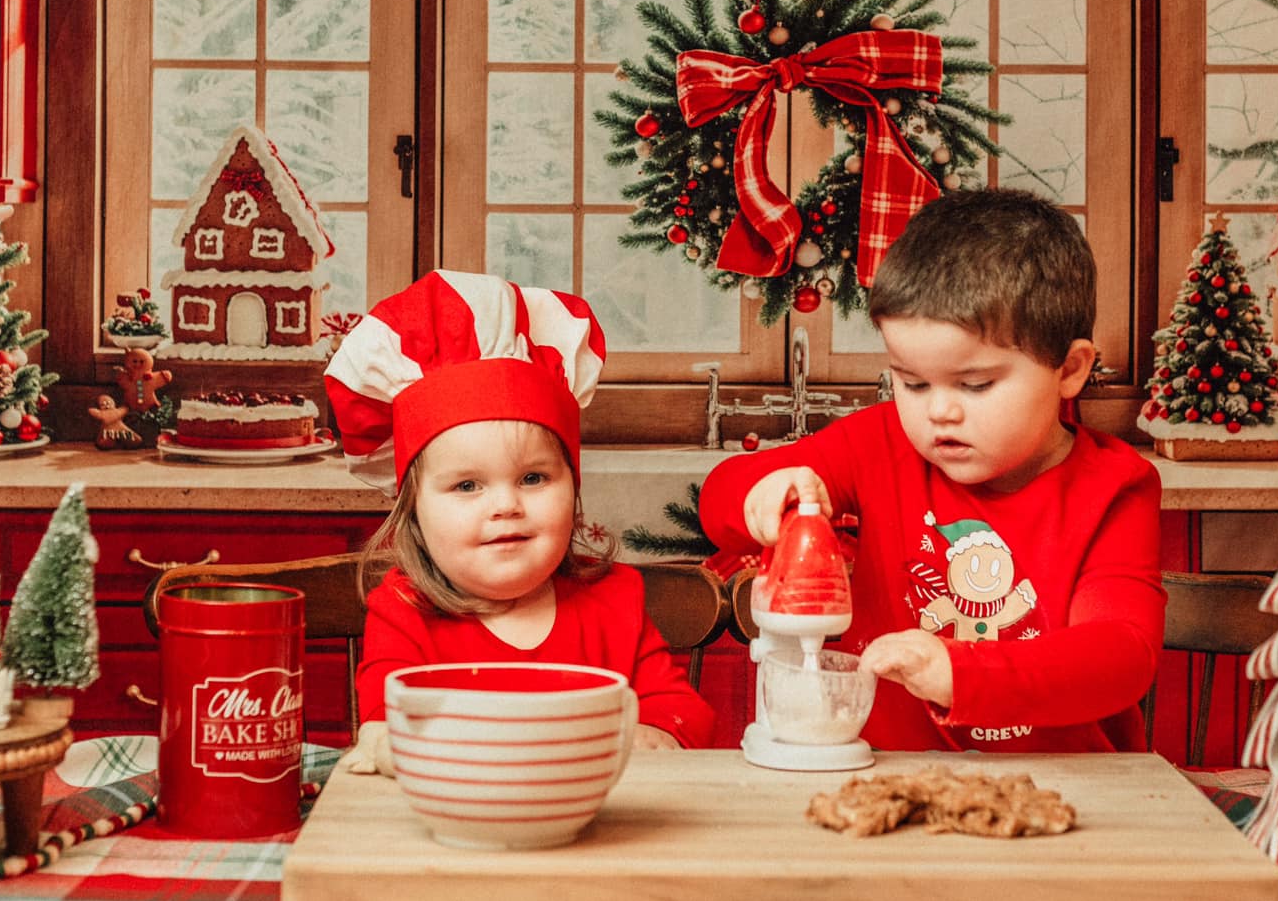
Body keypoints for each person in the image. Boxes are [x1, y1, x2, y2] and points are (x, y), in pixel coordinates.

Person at [700, 188, 1164, 753]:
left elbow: (1120, 655)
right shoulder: (877, 444)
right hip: (894, 781)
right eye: (912, 382)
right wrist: (763, 496)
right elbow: (722, 496)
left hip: (1068, 797)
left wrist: (963, 673)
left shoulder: (1114, 488)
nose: (938, 410)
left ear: (1069, 369)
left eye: (975, 384)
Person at [327, 271, 715, 772]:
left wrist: (657, 732)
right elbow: (389, 721)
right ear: (413, 511)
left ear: (573, 488)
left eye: (533, 478)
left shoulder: (616, 599)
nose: (506, 505)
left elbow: (684, 714)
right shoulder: (403, 612)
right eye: (467, 486)